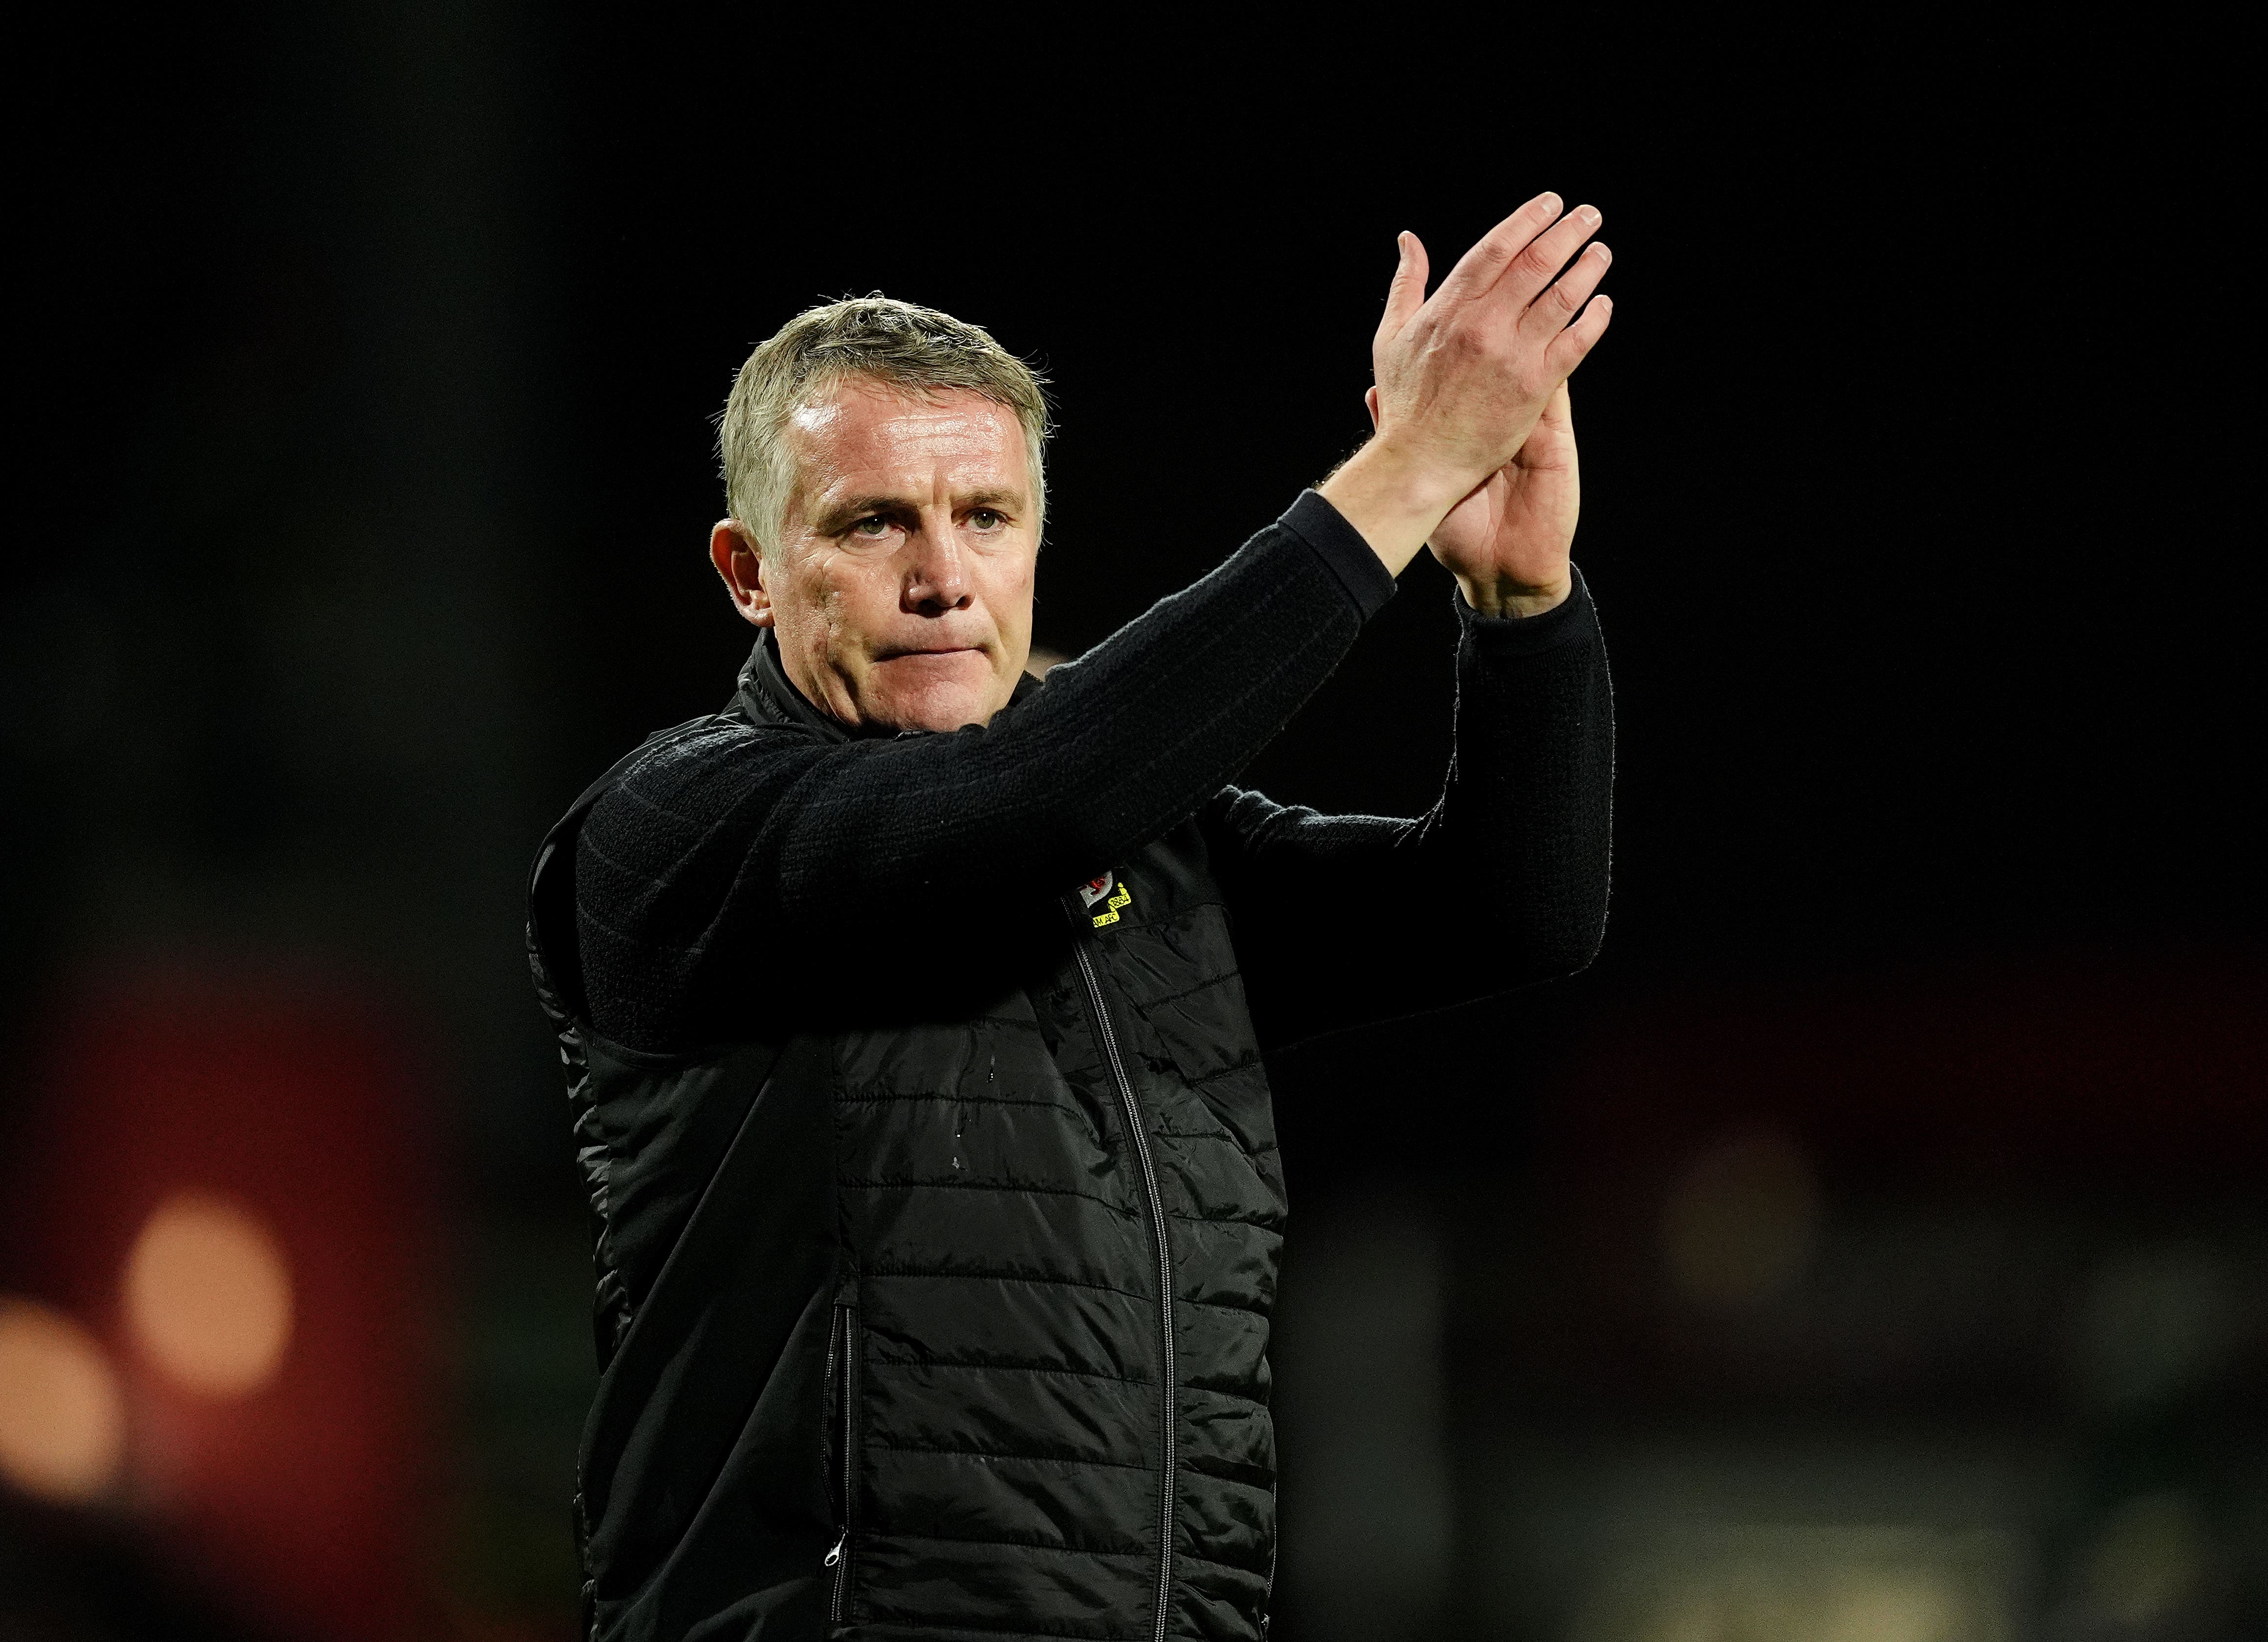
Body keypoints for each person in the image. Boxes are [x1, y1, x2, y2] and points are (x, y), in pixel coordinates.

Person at [525, 192, 1616, 1642]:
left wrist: (1523, 605)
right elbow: (1029, 809)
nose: (942, 577)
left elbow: (1509, 912)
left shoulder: (1156, 852)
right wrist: (1402, 472)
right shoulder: (679, 829)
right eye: (873, 524)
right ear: (748, 572)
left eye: (985, 516)